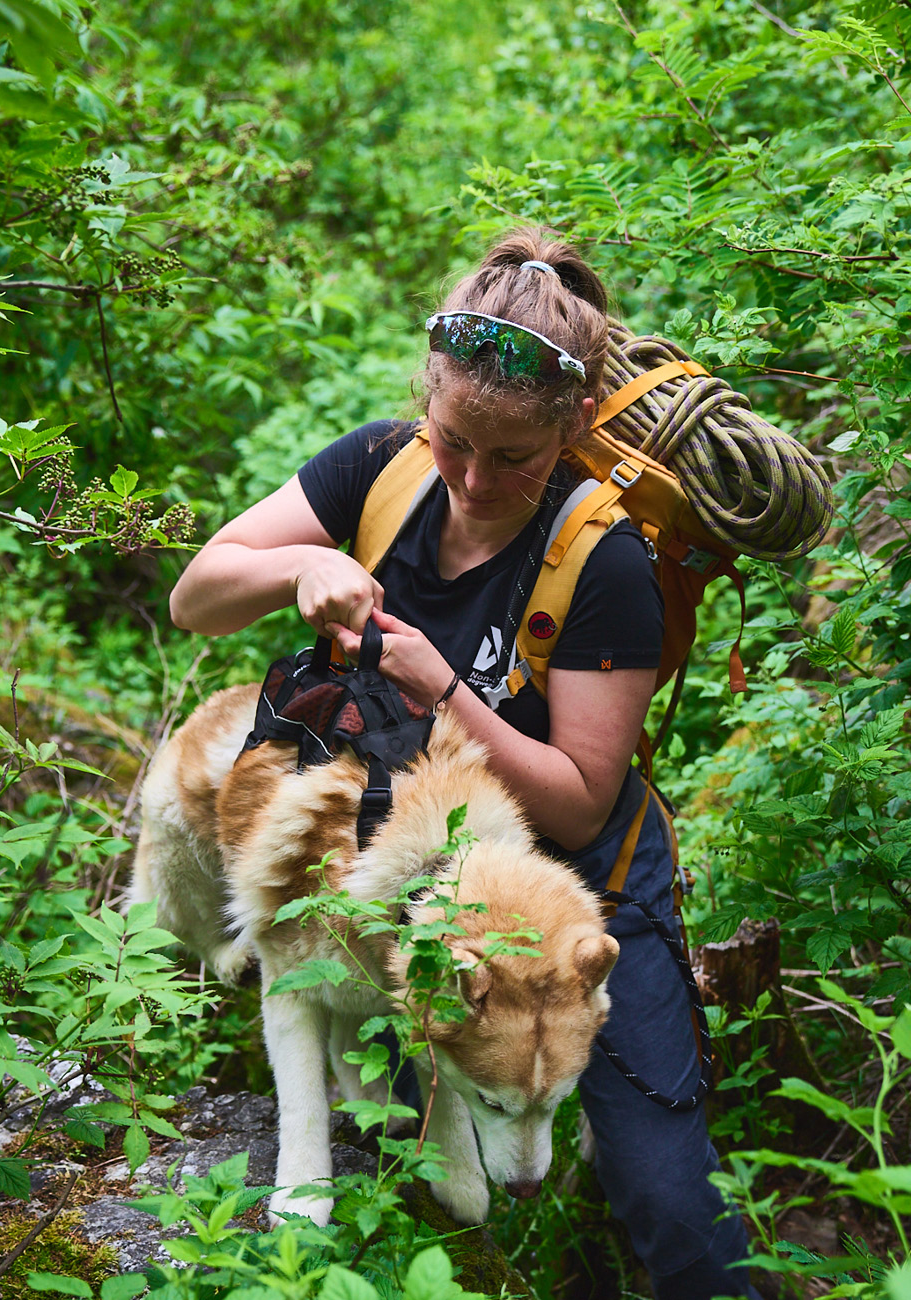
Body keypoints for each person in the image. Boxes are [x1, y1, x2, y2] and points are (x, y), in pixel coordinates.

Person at [169, 227, 761, 1300]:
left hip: (573, 891)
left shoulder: (603, 561)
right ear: (427, 399)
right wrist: (301, 563)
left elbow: (579, 807)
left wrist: (445, 687)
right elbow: (195, 598)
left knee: (665, 1191)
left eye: (516, 458)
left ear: (574, 424)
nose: (476, 480)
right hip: (402, 875)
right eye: (453, 442)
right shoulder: (379, 469)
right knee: (413, 1147)